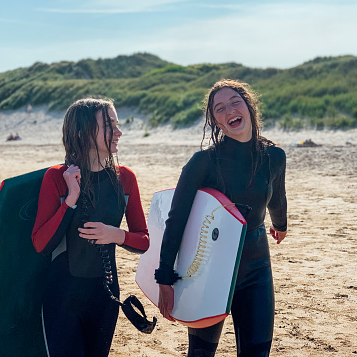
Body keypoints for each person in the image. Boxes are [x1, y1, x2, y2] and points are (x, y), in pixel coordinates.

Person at [155, 79, 287, 357]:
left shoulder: (273, 155)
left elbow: (275, 195)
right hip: (210, 268)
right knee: (201, 354)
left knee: (257, 352)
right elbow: (176, 219)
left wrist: (280, 225)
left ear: (249, 107)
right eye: (220, 109)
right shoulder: (203, 163)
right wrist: (164, 277)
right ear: (215, 121)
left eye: (235, 102)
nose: (230, 111)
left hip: (256, 266)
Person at [31, 98, 150, 357]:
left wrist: (116, 235)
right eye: (109, 125)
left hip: (105, 297)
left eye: (117, 124)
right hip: (62, 297)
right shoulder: (57, 177)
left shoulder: (125, 179)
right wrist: (70, 200)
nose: (118, 132)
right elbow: (40, 243)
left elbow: (143, 240)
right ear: (83, 132)